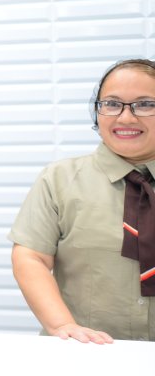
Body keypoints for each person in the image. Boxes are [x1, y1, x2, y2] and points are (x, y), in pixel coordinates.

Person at [10, 58, 155, 343]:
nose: (126, 118)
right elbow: (30, 257)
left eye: (145, 104)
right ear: (96, 112)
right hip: (83, 352)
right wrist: (60, 325)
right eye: (112, 104)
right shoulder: (59, 180)